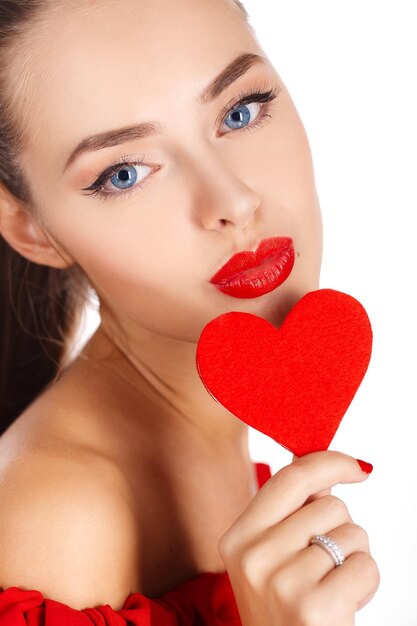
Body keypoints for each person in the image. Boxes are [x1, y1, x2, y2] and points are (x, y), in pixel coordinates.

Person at [0, 0, 380, 624]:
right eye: (124, 173)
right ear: (31, 227)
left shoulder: (210, 431)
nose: (233, 200)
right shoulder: (64, 519)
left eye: (240, 111)